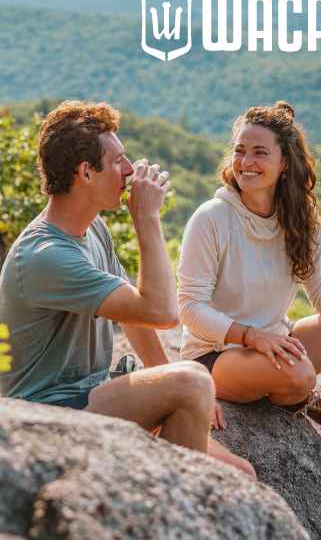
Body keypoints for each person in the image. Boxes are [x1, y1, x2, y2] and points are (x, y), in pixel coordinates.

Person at [0, 100, 254, 478]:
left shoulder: (93, 229)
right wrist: (147, 219)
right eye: (118, 159)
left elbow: (132, 313)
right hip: (45, 416)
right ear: (86, 173)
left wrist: (162, 378)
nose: (130, 169)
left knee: (241, 475)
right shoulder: (45, 256)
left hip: (90, 397)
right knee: (194, 381)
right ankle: (169, 518)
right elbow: (162, 312)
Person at [177, 101, 321, 518]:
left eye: (260, 152)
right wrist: (251, 336)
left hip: (273, 343)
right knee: (298, 375)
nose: (246, 161)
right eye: (240, 150)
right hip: (216, 356)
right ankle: (303, 398)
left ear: (286, 162)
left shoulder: (301, 219)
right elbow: (189, 307)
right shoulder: (212, 218)